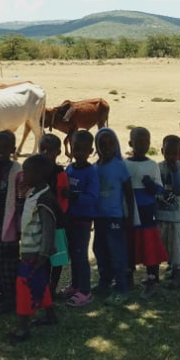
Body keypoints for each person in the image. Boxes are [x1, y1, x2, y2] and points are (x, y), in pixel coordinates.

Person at [9, 155, 63, 343]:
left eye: (27, 172)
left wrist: (44, 254)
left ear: (39, 175)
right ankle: (50, 315)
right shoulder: (33, 193)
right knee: (39, 283)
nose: (23, 175)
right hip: (30, 250)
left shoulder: (45, 199)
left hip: (35, 253)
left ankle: (23, 327)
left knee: (24, 286)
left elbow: (49, 229)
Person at [93, 128, 135, 305]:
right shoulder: (95, 167)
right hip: (99, 218)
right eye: (102, 144)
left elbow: (128, 192)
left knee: (117, 253)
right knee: (99, 250)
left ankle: (121, 287)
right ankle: (104, 281)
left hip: (115, 218)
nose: (107, 147)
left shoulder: (119, 166)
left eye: (111, 143)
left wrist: (130, 216)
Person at [125, 127, 169, 299]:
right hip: (130, 211)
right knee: (130, 244)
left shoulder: (152, 165)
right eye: (139, 142)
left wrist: (151, 186)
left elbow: (159, 189)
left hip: (147, 211)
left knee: (149, 244)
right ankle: (128, 277)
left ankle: (152, 277)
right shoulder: (126, 164)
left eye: (146, 142)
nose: (143, 145)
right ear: (131, 144)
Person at [64, 130, 99, 307]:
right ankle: (75, 285)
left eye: (82, 150)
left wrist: (74, 196)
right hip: (69, 218)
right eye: (75, 148)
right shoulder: (69, 168)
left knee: (81, 255)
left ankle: (85, 291)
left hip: (83, 220)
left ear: (90, 151)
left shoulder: (91, 172)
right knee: (73, 254)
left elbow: (92, 197)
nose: (78, 153)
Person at [0, 131, 22, 314]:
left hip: (9, 224)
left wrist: (18, 226)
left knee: (9, 262)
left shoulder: (16, 170)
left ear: (13, 149)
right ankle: (3, 293)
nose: (1, 151)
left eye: (5, 147)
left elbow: (20, 199)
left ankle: (12, 298)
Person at [40, 134, 71, 296]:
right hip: (40, 222)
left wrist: (60, 216)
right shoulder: (36, 172)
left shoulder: (60, 172)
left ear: (58, 152)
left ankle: (53, 287)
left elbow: (64, 198)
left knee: (57, 257)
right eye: (42, 149)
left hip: (57, 222)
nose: (45, 153)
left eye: (49, 150)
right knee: (43, 256)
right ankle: (44, 287)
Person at [156, 135, 180, 286]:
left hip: (175, 215)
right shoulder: (158, 167)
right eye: (167, 152)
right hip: (160, 214)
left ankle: (179, 274)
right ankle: (153, 275)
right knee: (159, 245)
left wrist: (174, 173)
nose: (171, 157)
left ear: (179, 153)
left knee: (176, 246)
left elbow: (179, 190)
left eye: (174, 153)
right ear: (162, 151)